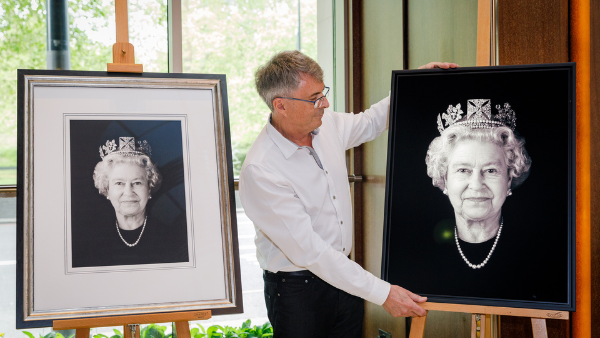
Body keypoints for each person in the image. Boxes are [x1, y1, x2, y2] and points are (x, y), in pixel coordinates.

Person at [239, 50, 457, 337]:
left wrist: (413, 83)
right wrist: (382, 293)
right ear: (281, 105)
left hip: (344, 278)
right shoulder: (261, 169)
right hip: (297, 292)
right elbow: (310, 251)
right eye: (315, 97)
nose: (325, 103)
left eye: (323, 92)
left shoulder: (325, 124)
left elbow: (370, 122)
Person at [425, 99, 532, 269]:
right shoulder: (420, 254)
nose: (476, 185)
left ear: (509, 178)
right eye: (463, 170)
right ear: (444, 178)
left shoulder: (535, 254)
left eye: (490, 171)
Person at [71, 136, 189, 268]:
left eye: (137, 183)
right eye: (119, 183)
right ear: (107, 190)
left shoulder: (174, 242)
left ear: (149, 188)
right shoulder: (89, 245)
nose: (128, 192)